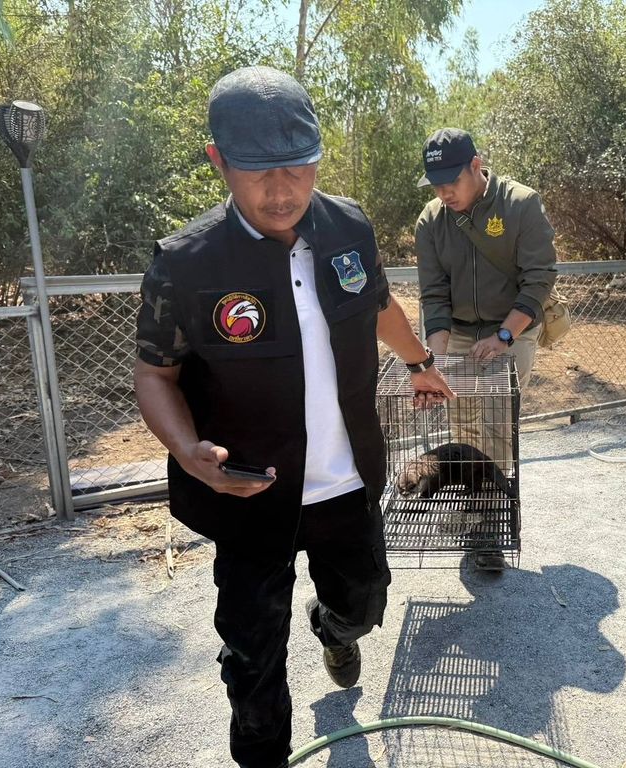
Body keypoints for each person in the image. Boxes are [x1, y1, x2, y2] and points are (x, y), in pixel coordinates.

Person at [134, 66, 454, 768]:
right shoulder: (185, 266)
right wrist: (188, 451)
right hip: (251, 494)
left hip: (344, 485)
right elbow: (155, 374)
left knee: (365, 604)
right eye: (258, 174)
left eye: (300, 168)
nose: (283, 192)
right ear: (218, 161)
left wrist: (419, 360)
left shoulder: (348, 226)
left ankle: (332, 626)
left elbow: (375, 306)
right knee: (252, 662)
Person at [414, 128, 558, 571]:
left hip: (511, 327)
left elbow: (539, 278)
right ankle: (474, 508)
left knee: (497, 425)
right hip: (456, 332)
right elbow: (433, 294)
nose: (444, 192)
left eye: (451, 181)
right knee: (461, 426)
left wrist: (504, 337)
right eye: (435, 184)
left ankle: (490, 525)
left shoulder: (520, 203)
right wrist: (438, 359)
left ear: (476, 165)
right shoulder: (431, 219)